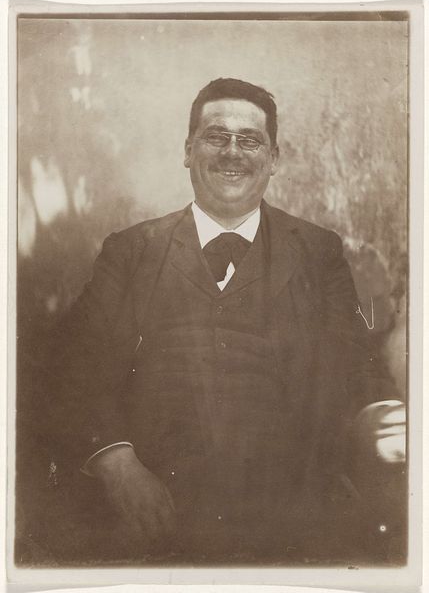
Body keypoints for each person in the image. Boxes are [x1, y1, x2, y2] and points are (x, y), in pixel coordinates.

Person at [49, 78, 405, 564]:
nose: (232, 152)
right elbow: (75, 367)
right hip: (155, 515)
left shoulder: (318, 252)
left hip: (292, 517)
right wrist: (116, 462)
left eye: (249, 140)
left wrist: (379, 414)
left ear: (273, 158)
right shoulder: (131, 251)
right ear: (188, 150)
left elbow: (354, 361)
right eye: (216, 136)